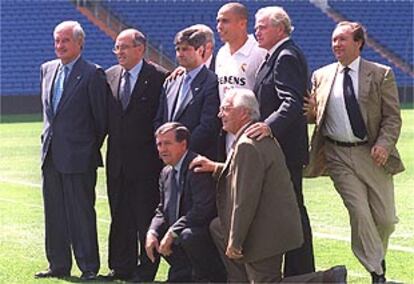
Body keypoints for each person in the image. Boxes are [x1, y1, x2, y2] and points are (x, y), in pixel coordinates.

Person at [190, 89, 347, 283]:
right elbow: (247, 174)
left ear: (244, 113)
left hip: (266, 228)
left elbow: (244, 198)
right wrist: (216, 167)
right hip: (273, 222)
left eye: (226, 109)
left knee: (267, 282)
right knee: (218, 227)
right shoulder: (250, 138)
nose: (220, 114)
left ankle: (328, 279)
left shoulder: (247, 144)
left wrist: (235, 240)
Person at [304, 21, 404, 283]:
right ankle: (376, 272)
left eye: (343, 39)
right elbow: (316, 116)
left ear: (358, 43)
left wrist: (384, 143)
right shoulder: (321, 76)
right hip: (337, 155)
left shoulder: (381, 74)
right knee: (359, 211)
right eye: (334, 39)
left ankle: (376, 257)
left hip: (372, 154)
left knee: (385, 219)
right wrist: (312, 114)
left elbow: (392, 118)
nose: (336, 44)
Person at [245, 6, 315, 276]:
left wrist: (267, 126)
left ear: (280, 28)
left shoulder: (285, 55)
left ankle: (301, 272)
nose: (257, 30)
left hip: (285, 151)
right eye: (256, 25)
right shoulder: (273, 55)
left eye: (262, 26)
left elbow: (291, 102)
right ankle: (298, 271)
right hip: (279, 150)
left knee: (293, 210)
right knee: (289, 210)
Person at [36, 20, 108, 281]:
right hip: (52, 155)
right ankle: (58, 265)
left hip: (79, 157)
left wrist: (86, 148)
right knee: (53, 213)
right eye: (57, 40)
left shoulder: (92, 73)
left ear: (80, 42)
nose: (60, 45)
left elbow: (101, 119)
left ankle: (88, 266)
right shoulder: (47, 70)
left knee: (81, 213)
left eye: (65, 40)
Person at [105, 29, 167, 282]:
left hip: (146, 163)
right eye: (117, 48)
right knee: (119, 216)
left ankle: (146, 269)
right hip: (117, 162)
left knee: (145, 217)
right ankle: (121, 267)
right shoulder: (109, 76)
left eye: (124, 47)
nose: (119, 52)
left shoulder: (159, 77)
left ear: (140, 49)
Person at [145, 122, 226, 282]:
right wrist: (152, 232)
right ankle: (182, 273)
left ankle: (207, 278)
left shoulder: (197, 167)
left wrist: (172, 232)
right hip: (181, 233)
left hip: (201, 233)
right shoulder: (166, 172)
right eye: (159, 144)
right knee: (154, 234)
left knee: (188, 236)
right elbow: (162, 209)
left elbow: (202, 210)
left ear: (183, 144)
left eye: (167, 143)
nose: (162, 149)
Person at [154, 27, 221, 160]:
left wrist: (181, 150)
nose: (180, 54)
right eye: (178, 49)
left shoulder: (212, 82)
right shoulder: (171, 81)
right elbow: (159, 119)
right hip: (169, 161)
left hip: (196, 160)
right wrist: (165, 145)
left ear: (200, 50)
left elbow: (208, 125)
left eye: (185, 49)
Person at [215, 2, 266, 159]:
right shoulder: (222, 53)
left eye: (225, 21)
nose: (219, 26)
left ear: (242, 23)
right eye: (218, 21)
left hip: (252, 129)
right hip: (228, 129)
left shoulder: (259, 51)